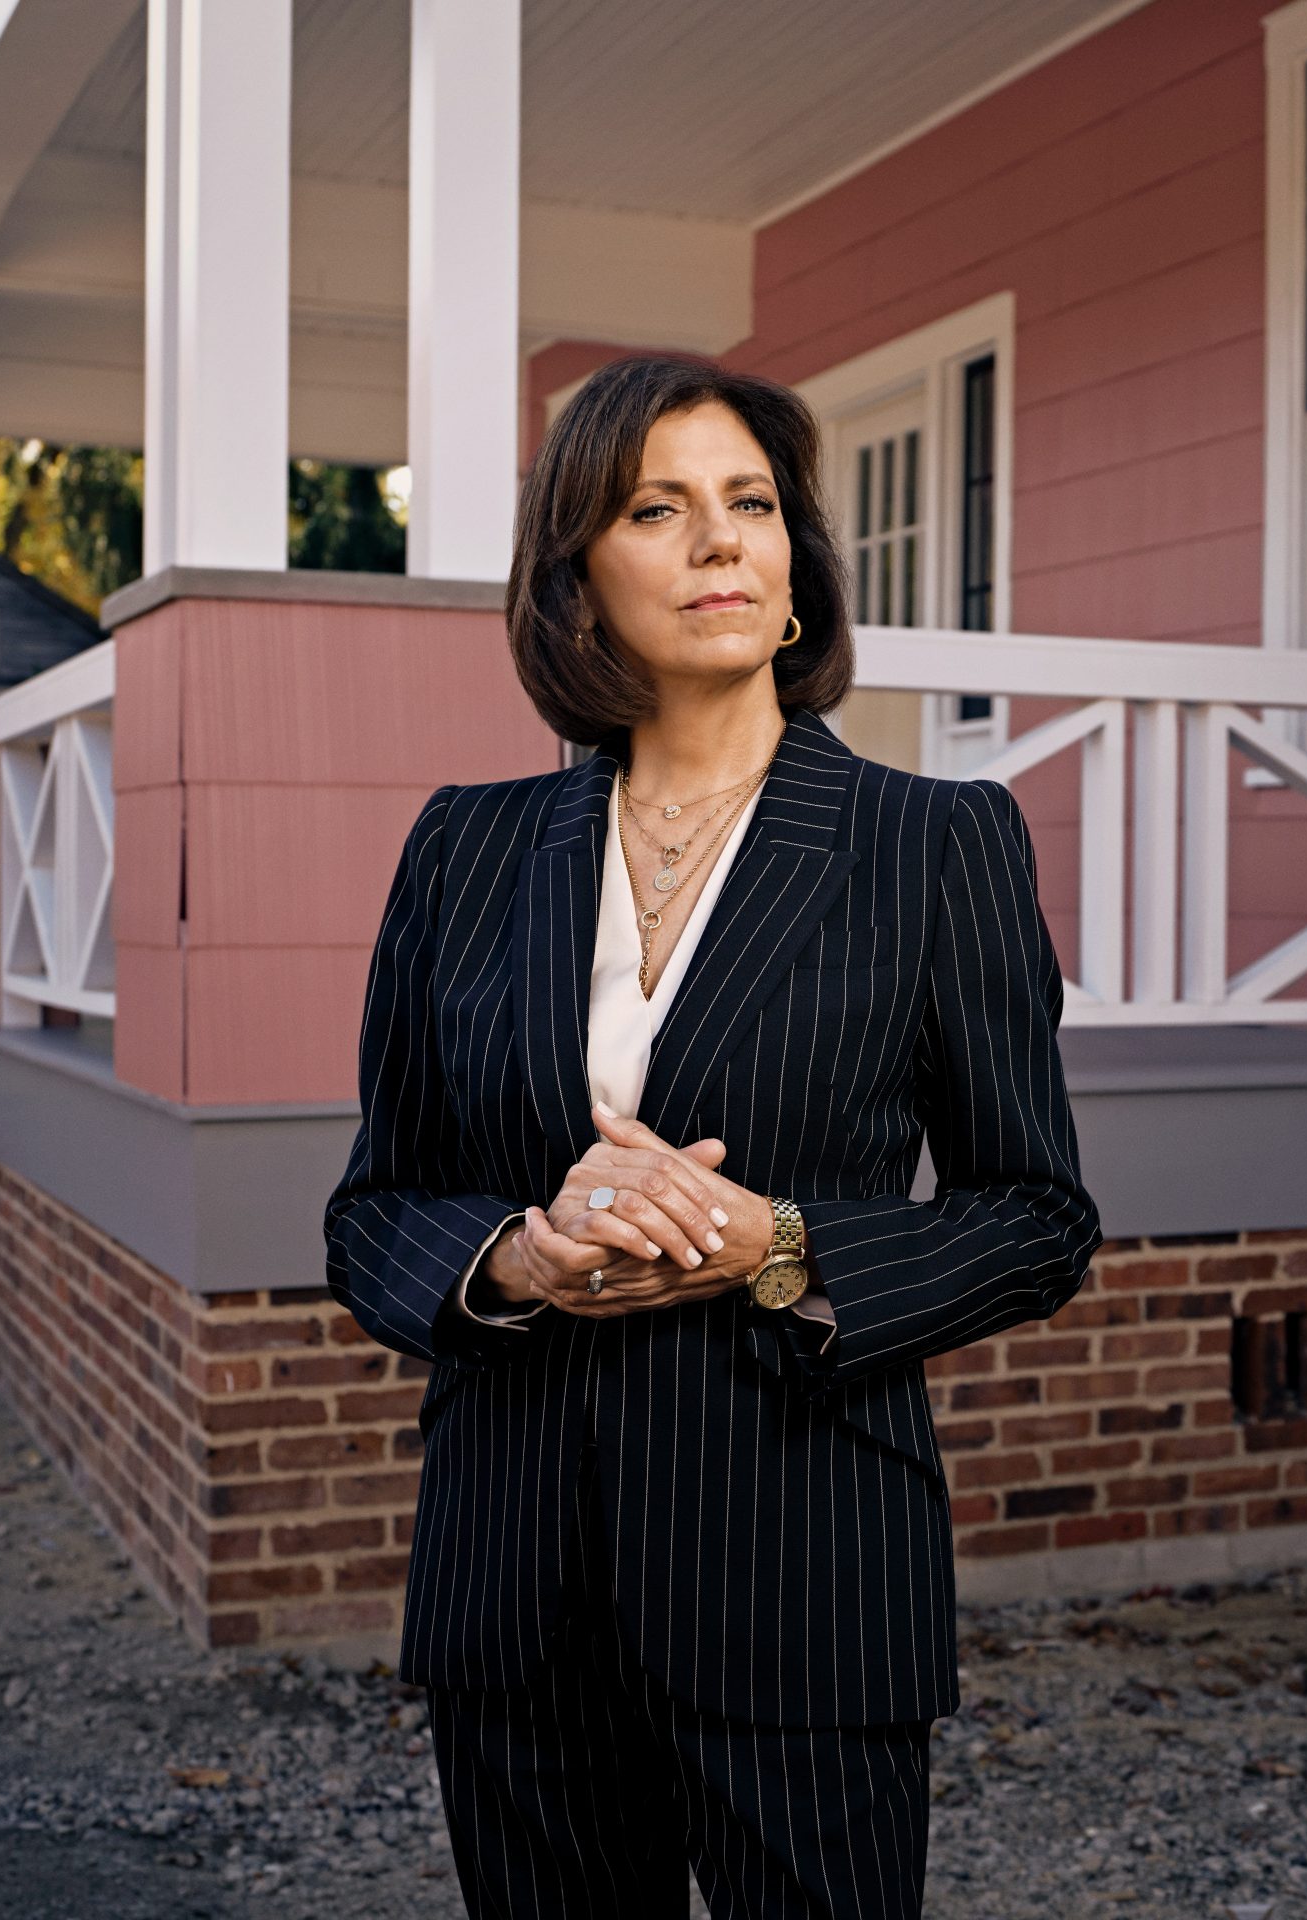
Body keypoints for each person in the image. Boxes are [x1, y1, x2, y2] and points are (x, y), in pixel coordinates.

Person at [323, 353, 1101, 1918]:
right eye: (656, 509)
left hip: (805, 1577)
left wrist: (785, 1246)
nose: (720, 542)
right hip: (517, 1583)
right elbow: (374, 1207)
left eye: (751, 504)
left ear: (801, 567)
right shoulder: (464, 848)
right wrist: (517, 1260)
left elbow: (1036, 1217)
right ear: (578, 582)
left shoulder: (936, 844)